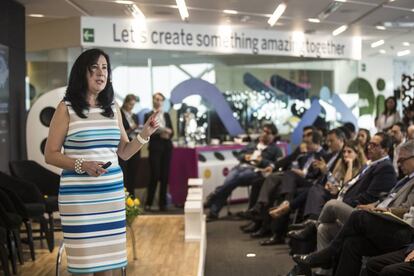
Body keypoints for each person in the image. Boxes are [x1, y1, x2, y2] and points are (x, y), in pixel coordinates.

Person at [44, 49, 159, 276]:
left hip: (111, 198)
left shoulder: (112, 108)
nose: (101, 73)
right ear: (81, 73)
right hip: (79, 199)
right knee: (84, 267)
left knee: (108, 266)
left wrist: (145, 134)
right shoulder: (66, 108)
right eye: (94, 67)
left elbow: (124, 152)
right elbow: (51, 154)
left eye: (105, 68)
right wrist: (82, 165)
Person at [292, 140, 414, 276]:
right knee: (352, 243)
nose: (398, 163)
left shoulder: (395, 173)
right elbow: (387, 198)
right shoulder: (405, 179)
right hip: (383, 220)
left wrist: (386, 210)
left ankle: (325, 255)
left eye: (402, 160)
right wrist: (374, 205)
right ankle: (324, 260)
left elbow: (407, 209)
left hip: (401, 229)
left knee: (356, 214)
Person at [206, 123, 283, 220]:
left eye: (267, 132)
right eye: (263, 131)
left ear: (273, 135)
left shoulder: (275, 149)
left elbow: (277, 164)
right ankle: (214, 207)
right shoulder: (253, 143)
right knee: (230, 181)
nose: (264, 134)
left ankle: (215, 201)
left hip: (256, 171)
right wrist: (245, 157)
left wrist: (262, 161)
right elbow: (240, 155)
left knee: (233, 180)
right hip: (240, 167)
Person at [145, 92, 174, 211]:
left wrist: (168, 133)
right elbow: (148, 130)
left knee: (165, 176)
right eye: (156, 99)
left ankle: (163, 204)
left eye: (160, 99)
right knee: (155, 175)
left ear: (163, 102)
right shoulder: (148, 114)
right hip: (155, 148)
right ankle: (149, 203)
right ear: (153, 100)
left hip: (167, 147)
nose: (158, 101)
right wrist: (162, 131)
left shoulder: (166, 115)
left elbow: (172, 131)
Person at [119, 94, 141, 194]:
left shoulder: (135, 116)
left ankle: (132, 199)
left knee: (134, 174)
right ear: (125, 102)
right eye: (130, 104)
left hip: (134, 147)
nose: (131, 107)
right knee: (125, 174)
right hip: (123, 147)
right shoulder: (119, 113)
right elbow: (119, 131)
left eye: (133, 105)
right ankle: (125, 198)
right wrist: (131, 129)